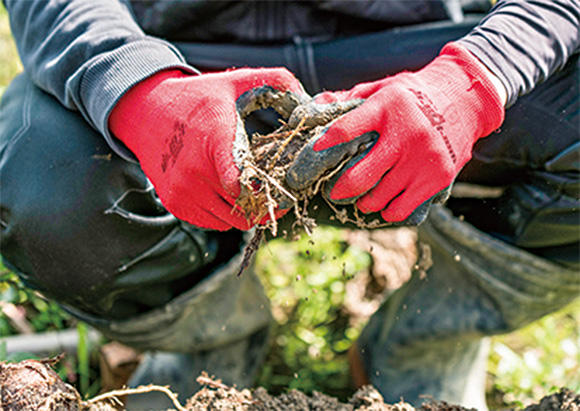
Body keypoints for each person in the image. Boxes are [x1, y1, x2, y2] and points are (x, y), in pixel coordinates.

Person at [1, 0, 578, 409]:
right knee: (36, 171)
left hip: (424, 56)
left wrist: (475, 81)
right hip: (186, 61)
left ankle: (426, 341)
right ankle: (214, 340)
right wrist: (138, 90)